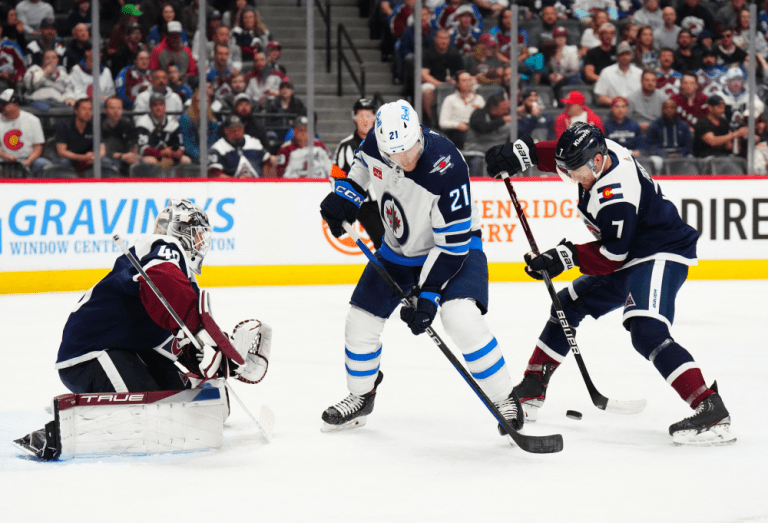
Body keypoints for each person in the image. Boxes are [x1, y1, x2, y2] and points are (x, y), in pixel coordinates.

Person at [484, 123, 736, 447]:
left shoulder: (615, 194)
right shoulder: (599, 152)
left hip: (659, 251)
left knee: (646, 331)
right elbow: (564, 155)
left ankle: (710, 408)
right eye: (569, 170)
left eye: (577, 171)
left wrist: (565, 256)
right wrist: (524, 154)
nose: (573, 178)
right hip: (632, 251)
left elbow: (612, 255)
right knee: (567, 304)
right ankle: (533, 386)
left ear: (599, 161)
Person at [318, 99, 523, 439]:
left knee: (460, 318)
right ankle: (361, 396)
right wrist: (347, 196)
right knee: (360, 322)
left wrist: (428, 297)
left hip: (455, 250)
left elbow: (451, 246)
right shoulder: (375, 143)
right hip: (398, 250)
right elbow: (361, 168)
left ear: (419, 134)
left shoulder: (448, 166)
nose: (407, 158)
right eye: (397, 153)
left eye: (412, 147)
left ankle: (505, 399)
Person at [333, 98, 385, 250]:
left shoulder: (385, 143)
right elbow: (336, 174)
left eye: (369, 115)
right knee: (382, 241)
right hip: (365, 205)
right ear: (354, 117)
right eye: (361, 115)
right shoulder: (345, 146)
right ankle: (387, 272)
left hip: (388, 201)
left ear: (375, 118)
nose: (366, 120)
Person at [0, 88, 50, 176]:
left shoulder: (32, 120)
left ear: (15, 105)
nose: (2, 107)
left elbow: (38, 147)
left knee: (43, 164)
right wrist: (5, 156)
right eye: (1, 104)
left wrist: (29, 160)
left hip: (28, 159)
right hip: (4, 159)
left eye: (5, 104)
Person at [421, 28, 464, 125]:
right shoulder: (427, 53)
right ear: (435, 39)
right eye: (441, 38)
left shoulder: (455, 53)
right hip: (433, 84)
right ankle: (434, 121)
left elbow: (461, 73)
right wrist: (441, 84)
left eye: (446, 38)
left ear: (449, 40)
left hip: (452, 84)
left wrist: (456, 82)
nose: (443, 41)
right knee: (427, 90)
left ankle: (460, 119)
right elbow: (424, 75)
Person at [136, 92, 191, 168]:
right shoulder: (143, 122)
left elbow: (180, 146)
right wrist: (161, 153)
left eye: (161, 104)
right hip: (151, 156)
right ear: (150, 107)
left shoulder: (173, 123)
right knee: (150, 161)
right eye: (155, 105)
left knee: (185, 160)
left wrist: (178, 152)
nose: (158, 107)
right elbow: (143, 149)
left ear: (165, 106)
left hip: (169, 156)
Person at [208, 114, 272, 178]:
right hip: (230, 185)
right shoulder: (218, 148)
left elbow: (267, 161)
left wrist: (264, 180)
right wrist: (237, 182)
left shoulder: (253, 142)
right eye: (234, 129)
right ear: (226, 130)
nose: (237, 132)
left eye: (239, 128)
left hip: (258, 184)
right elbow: (214, 173)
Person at [55, 97, 106, 176]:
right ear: (76, 111)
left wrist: (96, 157)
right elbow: (61, 152)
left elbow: (101, 148)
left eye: (90, 109)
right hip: (71, 158)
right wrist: (82, 157)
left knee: (106, 162)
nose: (87, 112)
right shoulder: (64, 125)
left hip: (89, 158)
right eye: (84, 109)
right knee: (63, 162)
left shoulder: (95, 125)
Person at [438, 70, 485, 149]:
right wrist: (457, 125)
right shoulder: (450, 99)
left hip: (477, 130)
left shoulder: (479, 99)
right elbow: (442, 122)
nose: (468, 83)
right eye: (464, 81)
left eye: (469, 80)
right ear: (457, 83)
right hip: (458, 131)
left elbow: (485, 118)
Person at [594, 41, 644, 106]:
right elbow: (601, 97)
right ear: (617, 56)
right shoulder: (606, 72)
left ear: (631, 56)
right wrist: (617, 103)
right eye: (622, 54)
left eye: (627, 54)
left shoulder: (639, 73)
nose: (625, 57)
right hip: (613, 108)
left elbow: (645, 95)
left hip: (636, 109)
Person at [644, 98, 692, 165]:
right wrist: (663, 154)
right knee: (654, 160)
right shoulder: (654, 126)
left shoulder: (683, 126)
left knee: (691, 160)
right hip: (660, 156)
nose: (669, 110)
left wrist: (680, 154)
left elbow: (688, 145)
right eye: (666, 108)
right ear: (662, 109)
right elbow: (650, 145)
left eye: (672, 108)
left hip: (679, 155)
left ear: (676, 109)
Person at [179, 88, 221, 164]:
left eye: (206, 101)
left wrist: (209, 155)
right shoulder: (185, 119)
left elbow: (213, 141)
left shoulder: (212, 120)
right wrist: (200, 156)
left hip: (208, 154)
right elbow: (188, 144)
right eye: (199, 101)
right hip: (191, 154)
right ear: (194, 103)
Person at [102, 96, 139, 176]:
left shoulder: (128, 123)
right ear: (105, 110)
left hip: (125, 158)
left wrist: (132, 155)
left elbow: (134, 144)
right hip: (107, 159)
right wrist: (120, 156)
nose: (116, 111)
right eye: (112, 108)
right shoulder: (99, 125)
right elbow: (98, 151)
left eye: (119, 108)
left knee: (142, 164)